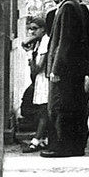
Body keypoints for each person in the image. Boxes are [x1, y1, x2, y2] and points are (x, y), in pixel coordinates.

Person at [42, 0, 89, 158]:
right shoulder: (72, 6)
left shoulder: (68, 8)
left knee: (59, 107)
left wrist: (56, 68)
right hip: (72, 69)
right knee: (71, 106)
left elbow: (65, 41)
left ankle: (61, 147)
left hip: (64, 70)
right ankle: (73, 146)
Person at [22, 16, 51, 153]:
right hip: (40, 80)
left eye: (35, 29)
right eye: (29, 29)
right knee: (42, 111)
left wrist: (29, 55)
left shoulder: (45, 42)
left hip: (44, 80)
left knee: (44, 112)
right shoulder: (39, 42)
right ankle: (43, 139)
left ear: (43, 29)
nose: (31, 32)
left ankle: (36, 140)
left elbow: (37, 68)